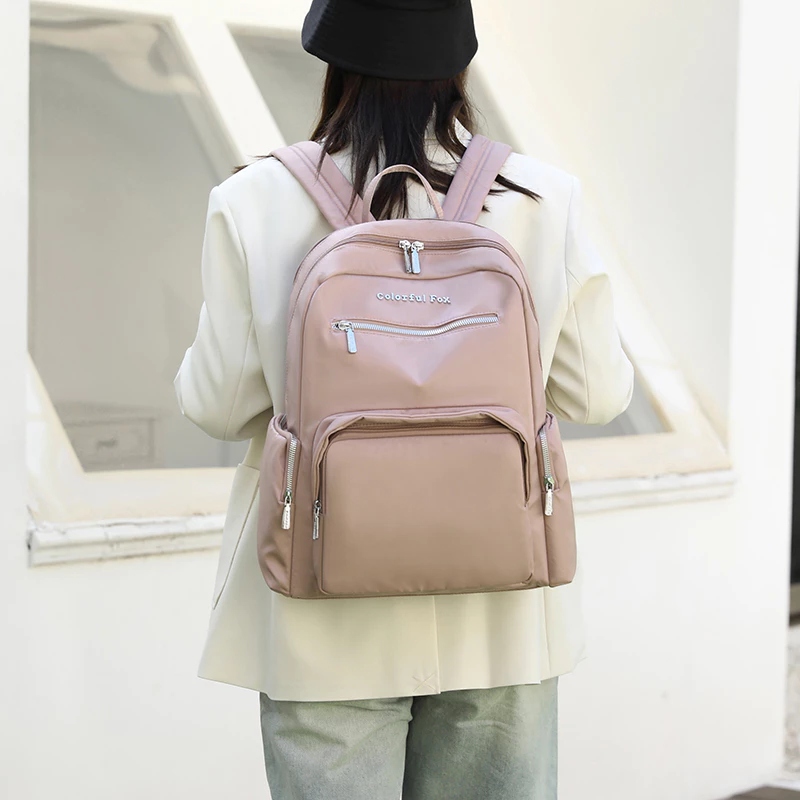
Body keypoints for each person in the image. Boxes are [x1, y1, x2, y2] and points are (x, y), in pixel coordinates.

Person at [174, 1, 634, 797]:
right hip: (501, 612)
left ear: (334, 62)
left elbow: (217, 405)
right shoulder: (543, 199)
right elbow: (598, 394)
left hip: (320, 614)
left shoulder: (255, 198)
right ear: (458, 64)